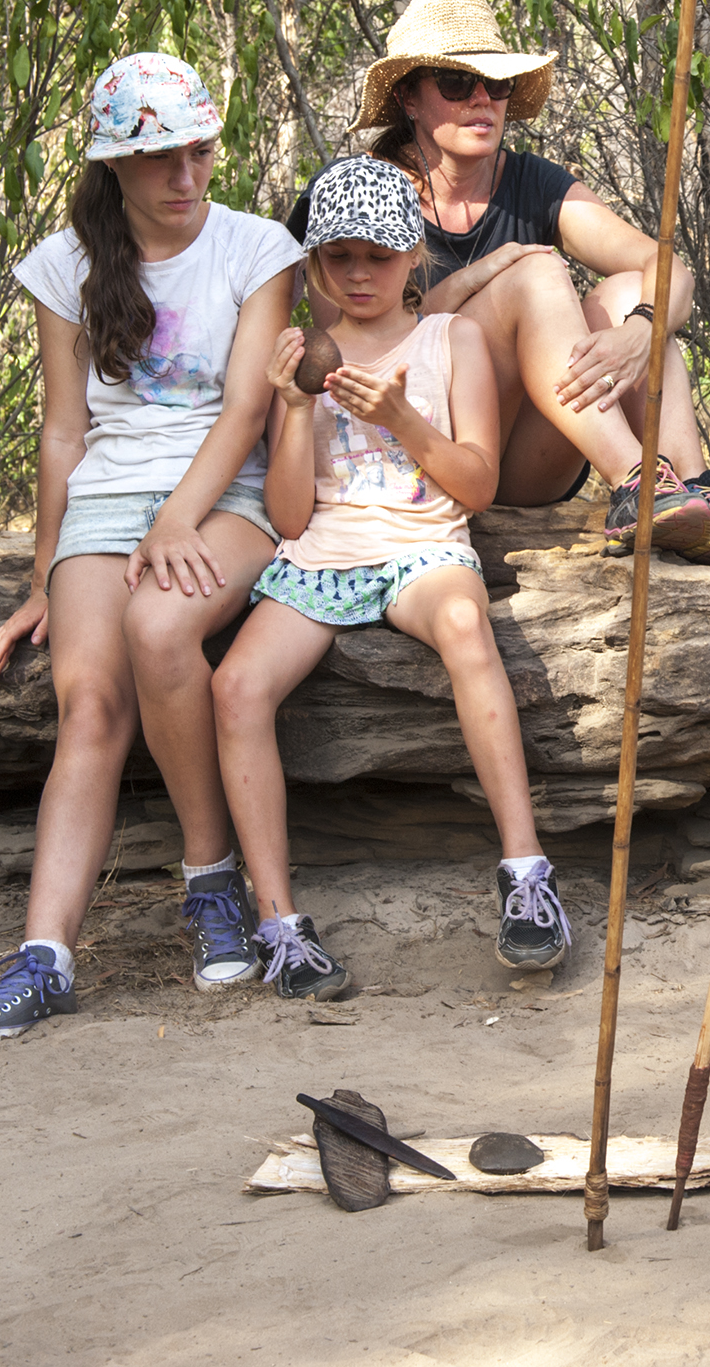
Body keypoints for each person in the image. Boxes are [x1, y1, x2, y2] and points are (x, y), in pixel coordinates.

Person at [0, 53, 301, 1045]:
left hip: (229, 491)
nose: (186, 177)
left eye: (199, 151)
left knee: (159, 626)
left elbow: (249, 404)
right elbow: (62, 431)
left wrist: (181, 514)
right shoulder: (66, 264)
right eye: (160, 159)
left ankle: (208, 878)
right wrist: (44, 573)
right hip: (105, 498)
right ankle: (44, 956)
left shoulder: (256, 246)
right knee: (87, 699)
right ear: (113, 167)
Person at [215, 158, 566, 998]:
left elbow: (476, 485)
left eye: (378, 254)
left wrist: (401, 416)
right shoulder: (296, 356)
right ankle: (279, 921)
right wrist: (298, 410)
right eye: (339, 258)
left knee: (463, 628)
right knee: (234, 686)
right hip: (326, 553)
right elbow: (292, 518)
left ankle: (526, 873)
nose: (359, 274)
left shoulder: (453, 341)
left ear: (415, 253)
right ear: (314, 266)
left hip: (420, 543)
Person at [291, 0, 710, 566]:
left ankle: (696, 494)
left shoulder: (534, 182)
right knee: (536, 273)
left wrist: (642, 326)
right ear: (410, 98)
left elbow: (670, 270)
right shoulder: (355, 194)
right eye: (458, 84)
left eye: (498, 84)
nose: (482, 100)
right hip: (420, 449)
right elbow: (345, 345)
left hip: (527, 455)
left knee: (631, 293)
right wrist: (484, 273)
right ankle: (635, 480)